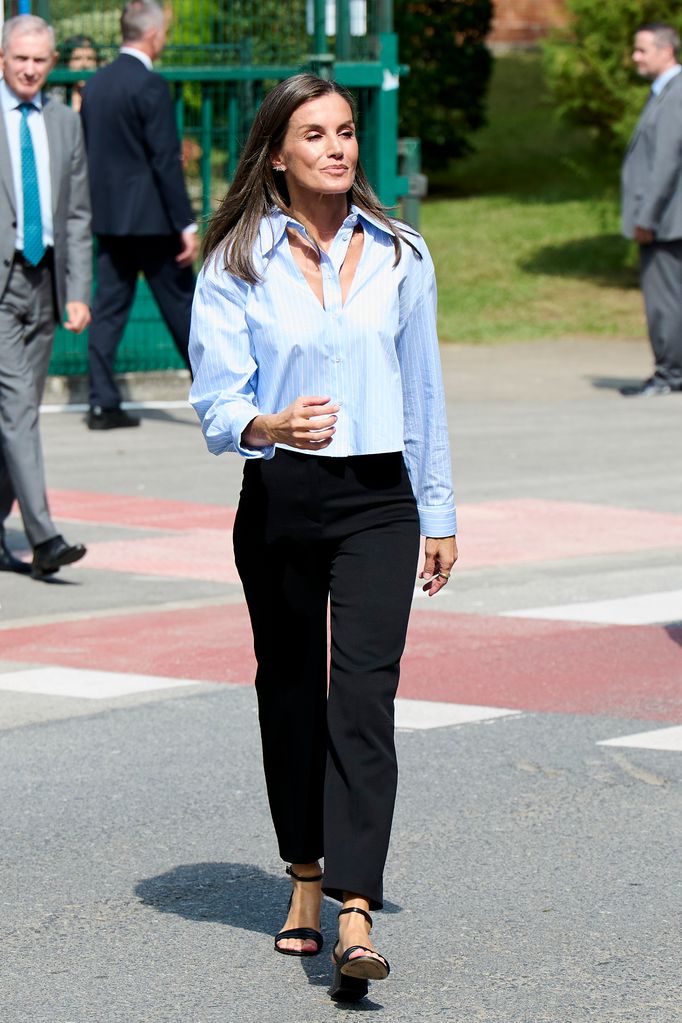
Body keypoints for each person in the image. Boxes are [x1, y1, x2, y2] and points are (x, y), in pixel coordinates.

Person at [189, 74, 458, 1002]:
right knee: (293, 688)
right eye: (316, 134)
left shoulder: (401, 253)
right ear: (278, 153)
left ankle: (353, 903)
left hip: (381, 498)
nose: (339, 148)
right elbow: (216, 402)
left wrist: (441, 511)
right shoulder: (237, 257)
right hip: (282, 495)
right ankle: (302, 869)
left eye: (346, 132)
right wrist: (269, 424)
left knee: (365, 693)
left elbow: (422, 391)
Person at [80, 0, 198, 430]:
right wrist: (185, 223)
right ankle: (214, 394)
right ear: (152, 34)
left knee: (108, 308)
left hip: (109, 219)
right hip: (153, 221)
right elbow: (165, 160)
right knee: (184, 307)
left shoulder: (95, 86)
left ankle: (101, 403)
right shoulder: (150, 86)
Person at [0, 15, 90, 579]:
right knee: (16, 414)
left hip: (45, 282)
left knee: (18, 415)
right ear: (2, 59)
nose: (30, 68)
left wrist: (77, 291)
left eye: (40, 60)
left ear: (51, 63)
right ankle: (44, 537)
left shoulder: (63, 123)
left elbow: (78, 212)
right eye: (20, 59)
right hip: (3, 285)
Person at [621, 22, 682, 397]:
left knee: (665, 300)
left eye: (642, 50)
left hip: (665, 220)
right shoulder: (664, 92)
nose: (635, 57)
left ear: (665, 51)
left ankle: (669, 374)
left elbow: (667, 161)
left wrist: (647, 217)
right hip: (668, 217)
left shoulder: (674, 94)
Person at [59, 34, 99, 113]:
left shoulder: (103, 96)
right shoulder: (55, 97)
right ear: (67, 62)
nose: (84, 64)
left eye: (90, 58)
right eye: (77, 58)